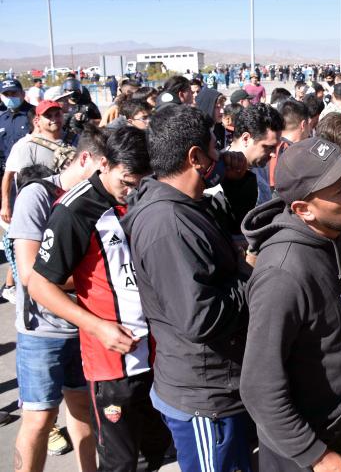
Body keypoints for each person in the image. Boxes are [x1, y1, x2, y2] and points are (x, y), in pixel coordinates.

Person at [28, 126, 172, 472]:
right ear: (103, 164)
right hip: (113, 364)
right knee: (120, 462)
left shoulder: (145, 193)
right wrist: (98, 327)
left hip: (160, 354)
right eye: (126, 181)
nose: (132, 190)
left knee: (156, 452)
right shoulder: (73, 211)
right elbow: (38, 285)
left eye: (140, 181)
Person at [122, 105, 253, 472]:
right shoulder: (168, 223)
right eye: (215, 145)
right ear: (195, 157)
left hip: (220, 387)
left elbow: (228, 225)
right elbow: (201, 318)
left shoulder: (187, 204)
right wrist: (251, 275)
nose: (221, 153)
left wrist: (237, 180)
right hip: (205, 397)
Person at [241, 137, 341, 471]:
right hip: (300, 449)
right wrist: (316, 456)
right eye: (339, 189)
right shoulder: (282, 275)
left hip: (338, 423)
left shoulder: (338, 230)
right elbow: (258, 388)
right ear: (302, 209)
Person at [10, 127, 106, 472]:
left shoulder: (99, 198)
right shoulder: (37, 195)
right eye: (103, 167)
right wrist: (96, 282)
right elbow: (29, 274)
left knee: (83, 411)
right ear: (85, 159)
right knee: (39, 418)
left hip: (84, 328)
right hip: (43, 332)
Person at [1, 100, 70, 224]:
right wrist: (6, 205)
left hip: (72, 207)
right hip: (45, 211)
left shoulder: (76, 139)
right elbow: (23, 185)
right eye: (48, 116)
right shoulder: (27, 147)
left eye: (57, 114)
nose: (54, 119)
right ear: (37, 121)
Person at [220, 103, 284, 228]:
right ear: (246, 138)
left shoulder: (259, 165)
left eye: (274, 148)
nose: (273, 155)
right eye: (268, 147)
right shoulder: (219, 177)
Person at [0, 79, 34, 174]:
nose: (10, 97)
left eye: (14, 93)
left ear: (23, 94)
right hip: (7, 174)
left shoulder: (36, 114)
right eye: (6, 95)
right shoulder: (2, 119)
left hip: (31, 172)